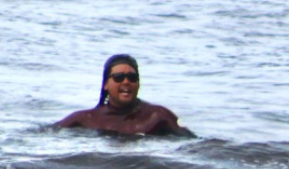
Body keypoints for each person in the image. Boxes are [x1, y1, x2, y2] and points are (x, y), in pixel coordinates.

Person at [55, 54, 193, 137]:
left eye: (132, 77)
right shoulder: (85, 119)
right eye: (119, 77)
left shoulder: (157, 116)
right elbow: (47, 134)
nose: (126, 82)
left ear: (138, 83)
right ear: (106, 84)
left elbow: (191, 143)